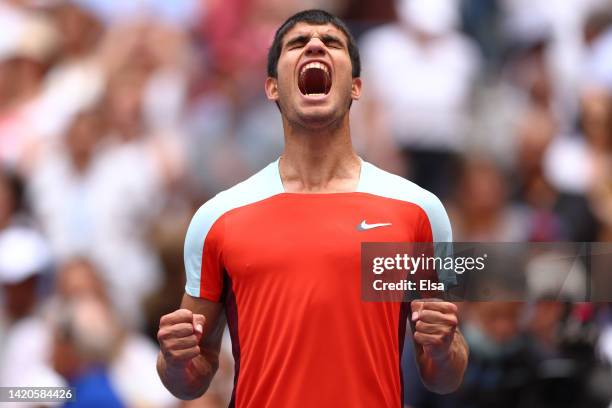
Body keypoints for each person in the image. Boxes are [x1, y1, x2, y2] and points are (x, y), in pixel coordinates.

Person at [157, 9, 468, 407]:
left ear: (355, 87)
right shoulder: (218, 218)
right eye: (298, 43)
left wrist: (442, 349)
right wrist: (174, 359)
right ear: (272, 88)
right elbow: (191, 381)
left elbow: (444, 376)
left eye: (332, 42)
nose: (316, 44)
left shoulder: (418, 211)